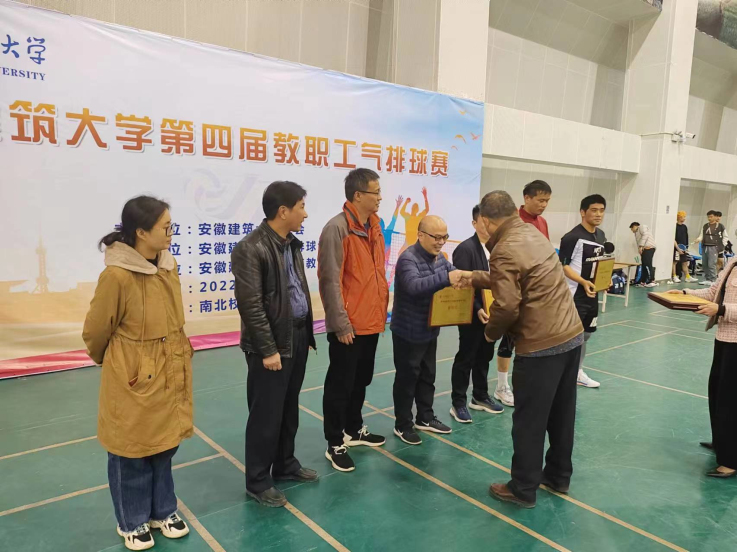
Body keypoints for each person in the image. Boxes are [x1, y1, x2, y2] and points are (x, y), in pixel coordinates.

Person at [83, 196, 192, 551]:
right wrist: (120, 361)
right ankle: (131, 520)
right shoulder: (116, 276)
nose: (171, 233)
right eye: (165, 227)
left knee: (164, 445)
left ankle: (163, 510)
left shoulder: (167, 266)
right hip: (132, 371)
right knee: (130, 450)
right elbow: (96, 331)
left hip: (170, 364)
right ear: (141, 232)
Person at [465, 190, 584, 508]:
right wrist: (473, 277)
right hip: (571, 335)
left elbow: (506, 306)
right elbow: (520, 277)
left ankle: (522, 488)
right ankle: (558, 476)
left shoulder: (503, 248)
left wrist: (489, 335)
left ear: (486, 221)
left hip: (541, 344)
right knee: (561, 414)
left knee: (529, 420)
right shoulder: (532, 233)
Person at [232, 181, 318, 508]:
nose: (305, 214)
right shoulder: (250, 248)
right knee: (265, 415)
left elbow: (295, 292)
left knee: (288, 407)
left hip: (295, 336)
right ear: (283, 211)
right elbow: (251, 306)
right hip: (270, 344)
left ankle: (285, 464)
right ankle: (257, 481)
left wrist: (305, 334)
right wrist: (268, 350)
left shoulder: (291, 244)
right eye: (301, 207)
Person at [318, 168, 390, 472]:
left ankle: (353, 427)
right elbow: (330, 280)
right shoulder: (337, 229)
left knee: (361, 379)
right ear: (358, 195)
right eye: (376, 192)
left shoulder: (375, 226)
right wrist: (340, 323)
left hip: (371, 320)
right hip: (348, 325)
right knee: (340, 384)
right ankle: (335, 441)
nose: (380, 197)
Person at [390, 215, 468, 445]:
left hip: (430, 329)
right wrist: (446, 278)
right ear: (421, 235)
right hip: (407, 332)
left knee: (427, 376)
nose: (441, 242)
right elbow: (414, 287)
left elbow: (456, 278)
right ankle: (403, 424)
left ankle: (425, 417)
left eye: (445, 237)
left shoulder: (440, 258)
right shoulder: (408, 259)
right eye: (436, 237)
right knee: (407, 380)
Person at [667, 257, 737, 478]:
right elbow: (715, 291)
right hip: (724, 338)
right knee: (717, 394)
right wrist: (685, 293)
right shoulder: (734, 261)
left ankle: (731, 461)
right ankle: (721, 442)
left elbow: (720, 304)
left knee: (730, 402)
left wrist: (721, 309)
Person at [495, 179, 553, 407]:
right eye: (540, 200)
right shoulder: (513, 223)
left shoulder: (543, 223)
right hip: (517, 292)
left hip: (538, 295)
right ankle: (502, 386)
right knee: (508, 341)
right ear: (526, 198)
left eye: (547, 201)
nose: (544, 205)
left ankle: (530, 384)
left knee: (534, 340)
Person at [449, 205, 504, 423]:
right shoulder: (466, 249)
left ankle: (480, 396)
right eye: (484, 220)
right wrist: (478, 308)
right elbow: (463, 285)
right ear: (474, 223)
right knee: (467, 356)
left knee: (485, 355)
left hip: (493, 313)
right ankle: (458, 402)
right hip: (472, 313)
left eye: (492, 219)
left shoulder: (498, 247)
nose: (489, 224)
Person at [559, 194, 608, 389]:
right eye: (594, 210)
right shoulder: (572, 237)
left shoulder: (601, 235)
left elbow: (599, 263)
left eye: (601, 210)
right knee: (571, 336)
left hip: (592, 294)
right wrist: (582, 281)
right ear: (582, 212)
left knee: (586, 334)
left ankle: (577, 371)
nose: (598, 214)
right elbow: (563, 266)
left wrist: (604, 280)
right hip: (574, 294)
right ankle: (564, 373)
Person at [695, 210, 724, 285]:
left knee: (712, 264)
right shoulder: (705, 226)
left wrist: (722, 245)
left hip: (714, 247)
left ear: (715, 217)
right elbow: (701, 235)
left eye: (711, 217)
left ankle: (713, 280)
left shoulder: (720, 226)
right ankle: (707, 279)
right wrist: (698, 239)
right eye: (708, 217)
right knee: (705, 264)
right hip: (705, 246)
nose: (709, 218)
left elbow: (725, 237)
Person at [629, 222, 658, 288]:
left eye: (631, 229)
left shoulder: (642, 227)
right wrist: (640, 249)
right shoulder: (637, 233)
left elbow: (645, 235)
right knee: (644, 265)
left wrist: (641, 246)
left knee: (648, 264)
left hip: (649, 248)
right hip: (644, 249)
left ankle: (652, 280)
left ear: (634, 226)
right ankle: (643, 281)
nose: (632, 231)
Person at [380, 195, 404, 271]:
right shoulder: (385, 231)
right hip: (382, 256)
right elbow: (394, 219)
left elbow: (394, 219)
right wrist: (397, 206)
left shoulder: (385, 231)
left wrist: (397, 206)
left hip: (383, 256)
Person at [670, 211, 694, 284]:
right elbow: (673, 239)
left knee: (685, 262)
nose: (683, 218)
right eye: (682, 217)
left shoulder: (684, 227)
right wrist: (677, 248)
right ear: (678, 217)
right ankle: (674, 276)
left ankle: (687, 276)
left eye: (684, 217)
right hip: (676, 248)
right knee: (675, 262)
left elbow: (686, 237)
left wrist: (686, 248)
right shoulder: (675, 226)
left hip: (683, 248)